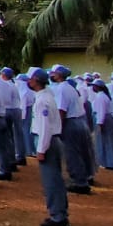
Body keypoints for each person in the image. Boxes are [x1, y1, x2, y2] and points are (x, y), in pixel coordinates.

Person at [28, 67, 69, 226]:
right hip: (50, 140)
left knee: (51, 180)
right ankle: (59, 213)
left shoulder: (43, 100)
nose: (28, 82)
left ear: (36, 81)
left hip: (48, 141)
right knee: (54, 179)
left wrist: (41, 149)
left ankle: (58, 216)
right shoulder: (46, 96)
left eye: (31, 79)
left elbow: (45, 127)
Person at [49, 64, 93, 194]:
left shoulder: (61, 89)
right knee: (82, 152)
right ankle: (85, 177)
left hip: (70, 123)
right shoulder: (70, 87)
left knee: (72, 153)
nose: (51, 75)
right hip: (80, 121)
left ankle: (79, 182)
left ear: (58, 75)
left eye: (53, 73)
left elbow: (61, 110)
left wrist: (59, 128)